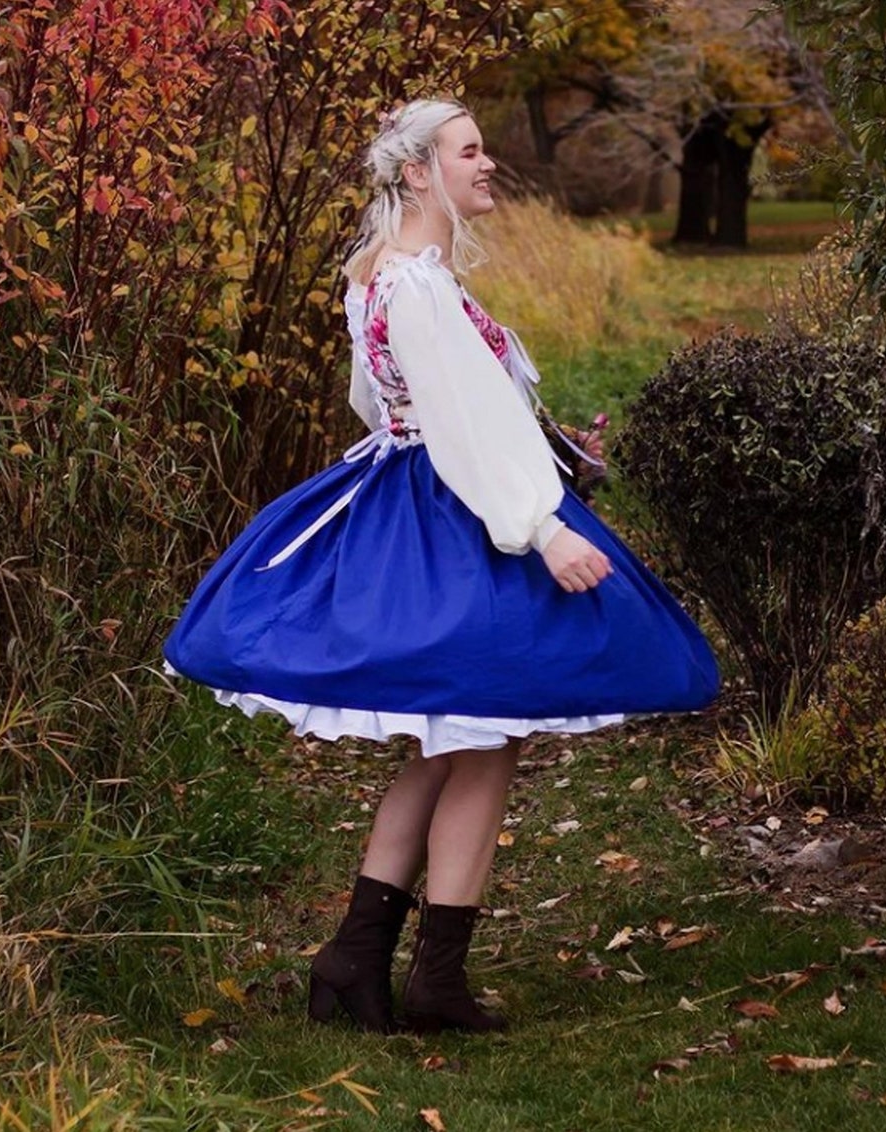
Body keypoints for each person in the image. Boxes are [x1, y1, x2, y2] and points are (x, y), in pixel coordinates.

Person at [164, 98, 719, 1036]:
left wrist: (541, 460)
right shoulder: (414, 284)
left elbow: (384, 405)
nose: (487, 162)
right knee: (477, 732)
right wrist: (541, 527)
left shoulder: (386, 275)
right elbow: (457, 425)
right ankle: (407, 972)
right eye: (469, 151)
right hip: (460, 517)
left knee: (466, 737)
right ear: (420, 173)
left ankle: (372, 964)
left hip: (419, 500)